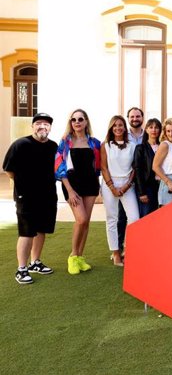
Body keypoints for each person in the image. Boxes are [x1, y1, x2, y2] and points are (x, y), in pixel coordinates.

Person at [3, 113, 57, 284]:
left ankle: (35, 262)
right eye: (39, 123)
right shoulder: (20, 145)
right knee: (27, 232)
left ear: (50, 128)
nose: (42, 127)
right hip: (26, 197)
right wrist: (24, 185)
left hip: (47, 196)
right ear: (32, 126)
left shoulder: (53, 146)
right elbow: (9, 169)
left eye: (46, 124)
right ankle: (21, 269)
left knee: (41, 229)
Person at [55, 109, 101, 275]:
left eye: (80, 119)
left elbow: (98, 166)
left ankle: (80, 257)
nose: (77, 122)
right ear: (71, 123)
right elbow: (59, 167)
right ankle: (73, 256)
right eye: (73, 120)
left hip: (90, 184)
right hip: (72, 184)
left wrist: (98, 185)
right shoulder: (65, 142)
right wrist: (70, 190)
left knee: (86, 222)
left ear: (86, 121)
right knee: (80, 220)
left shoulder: (95, 143)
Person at [100, 115, 140, 267]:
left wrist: (126, 185)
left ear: (125, 127)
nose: (118, 128)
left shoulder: (133, 145)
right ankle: (115, 252)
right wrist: (111, 187)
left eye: (121, 125)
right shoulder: (106, 145)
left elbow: (135, 168)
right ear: (111, 127)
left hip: (127, 185)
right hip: (110, 183)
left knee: (134, 218)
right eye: (115, 125)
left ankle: (128, 250)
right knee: (112, 218)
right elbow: (103, 167)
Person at [117, 106, 145, 252]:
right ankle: (120, 246)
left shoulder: (148, 134)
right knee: (122, 216)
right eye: (132, 117)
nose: (135, 119)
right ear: (128, 119)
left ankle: (138, 246)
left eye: (137, 116)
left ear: (142, 118)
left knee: (140, 214)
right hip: (125, 181)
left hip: (142, 180)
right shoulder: (122, 134)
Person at [133, 118, 162, 217]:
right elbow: (138, 171)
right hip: (147, 187)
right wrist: (142, 192)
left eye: (157, 127)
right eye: (151, 127)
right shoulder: (140, 148)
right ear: (146, 130)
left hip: (162, 186)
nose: (154, 130)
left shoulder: (164, 146)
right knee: (146, 216)